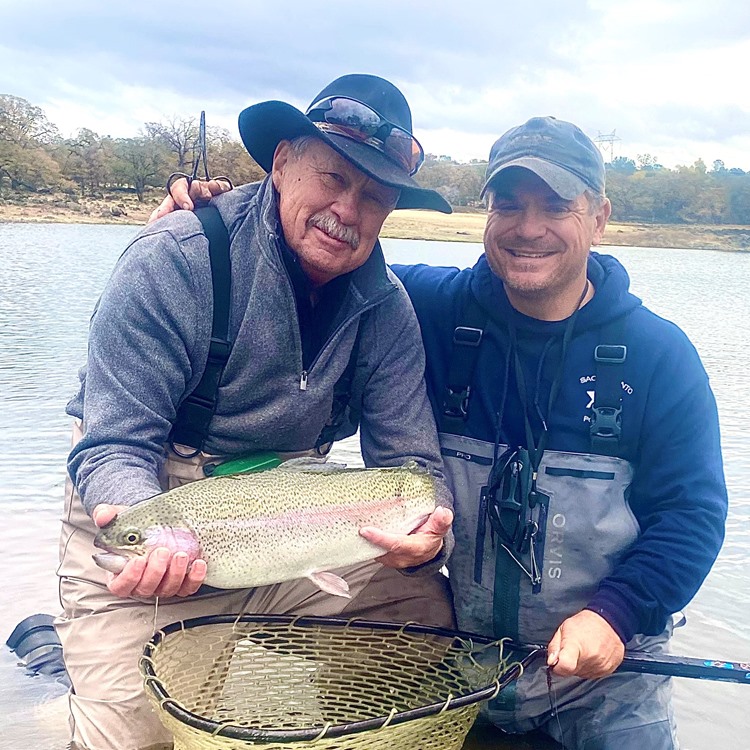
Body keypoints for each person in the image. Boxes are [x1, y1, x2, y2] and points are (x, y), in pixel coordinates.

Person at [172, 115, 727, 749]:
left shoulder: (660, 355)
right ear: (486, 213)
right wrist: (221, 219)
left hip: (610, 677)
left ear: (599, 217)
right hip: (460, 670)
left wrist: (617, 615)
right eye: (508, 205)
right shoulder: (422, 307)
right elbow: (317, 251)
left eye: (556, 206)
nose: (528, 227)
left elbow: (693, 514)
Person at [55, 73, 457, 750]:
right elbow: (112, 447)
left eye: (373, 197)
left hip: (299, 524)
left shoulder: (387, 308)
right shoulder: (174, 260)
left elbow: (414, 465)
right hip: (156, 510)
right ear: (281, 162)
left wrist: (431, 529)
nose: (347, 210)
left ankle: (327, 721)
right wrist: (138, 521)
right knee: (132, 738)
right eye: (332, 178)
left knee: (420, 617)